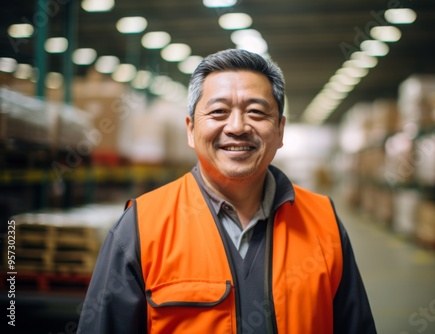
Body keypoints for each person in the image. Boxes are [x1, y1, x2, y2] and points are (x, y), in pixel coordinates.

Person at [77, 49, 376, 334]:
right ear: (191, 130)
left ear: (280, 130)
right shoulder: (141, 227)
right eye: (219, 111)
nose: (237, 127)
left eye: (256, 112)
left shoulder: (323, 223)